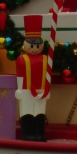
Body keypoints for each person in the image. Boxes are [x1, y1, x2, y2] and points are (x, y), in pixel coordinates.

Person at [15, 14, 49, 142]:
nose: (35, 49)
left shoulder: (46, 59)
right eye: (32, 46)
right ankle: (27, 134)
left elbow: (47, 75)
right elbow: (20, 74)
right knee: (27, 112)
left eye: (37, 46)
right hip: (26, 91)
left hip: (41, 91)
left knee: (40, 113)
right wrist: (19, 89)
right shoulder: (22, 59)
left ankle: (39, 133)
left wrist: (47, 90)